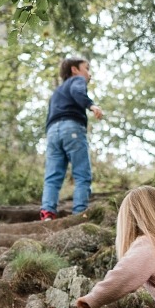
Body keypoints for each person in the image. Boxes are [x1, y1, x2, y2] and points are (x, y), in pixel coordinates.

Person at [40, 57, 104, 220]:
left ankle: (47, 213)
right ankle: (79, 213)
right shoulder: (77, 80)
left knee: (52, 175)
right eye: (86, 68)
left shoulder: (57, 92)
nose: (89, 73)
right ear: (75, 70)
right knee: (82, 174)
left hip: (53, 132)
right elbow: (78, 92)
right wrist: (91, 105)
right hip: (72, 128)